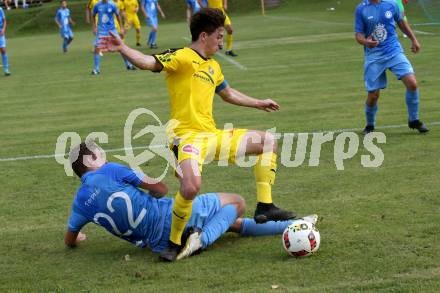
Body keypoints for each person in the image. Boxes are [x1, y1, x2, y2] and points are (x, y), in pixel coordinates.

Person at [97, 8, 295, 262]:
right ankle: (173, 241)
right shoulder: (181, 57)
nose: (222, 42)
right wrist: (123, 48)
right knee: (191, 187)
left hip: (211, 136)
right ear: (204, 36)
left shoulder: (213, 66)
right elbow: (148, 62)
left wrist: (258, 103)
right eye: (219, 37)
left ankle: (265, 207)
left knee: (268, 141)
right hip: (186, 137)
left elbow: (228, 93)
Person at [64, 141, 315, 260]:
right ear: (90, 161)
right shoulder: (109, 170)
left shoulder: (79, 203)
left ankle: (295, 225)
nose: (104, 159)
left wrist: (78, 239)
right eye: (100, 155)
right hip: (169, 219)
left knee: (229, 222)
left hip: (156, 244)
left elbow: (70, 237)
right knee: (236, 202)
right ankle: (199, 241)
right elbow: (160, 189)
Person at [355, 0, 428, 134]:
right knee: (373, 95)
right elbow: (358, 35)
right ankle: (370, 125)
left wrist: (414, 39)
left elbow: (401, 22)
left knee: (412, 83)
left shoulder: (392, 4)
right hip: (374, 57)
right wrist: (366, 42)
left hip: (394, 51)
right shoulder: (361, 9)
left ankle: (414, 120)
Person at [91, 0, 135, 75]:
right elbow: (93, 15)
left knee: (121, 47)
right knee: (97, 48)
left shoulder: (113, 4)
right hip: (101, 30)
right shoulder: (97, 5)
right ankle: (96, 69)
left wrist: (121, 27)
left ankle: (129, 65)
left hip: (112, 30)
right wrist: (94, 27)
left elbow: (118, 16)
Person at [0, 6, 10, 76]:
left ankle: (6, 69)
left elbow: (4, 20)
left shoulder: (0, 9)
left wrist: (3, 29)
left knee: (3, 50)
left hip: (0, 32)